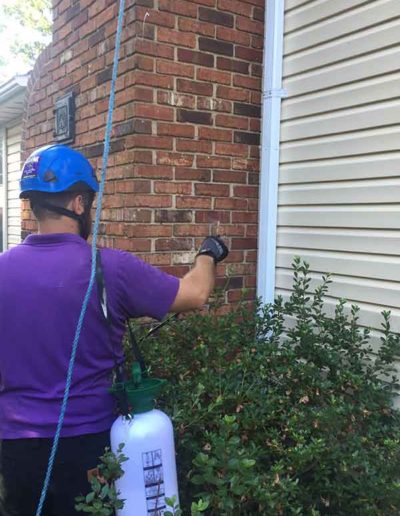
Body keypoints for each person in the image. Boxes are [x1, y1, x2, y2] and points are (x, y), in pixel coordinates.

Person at [0, 144, 228, 516]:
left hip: (17, 447)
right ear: (77, 204)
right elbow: (195, 293)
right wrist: (208, 254)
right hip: (89, 445)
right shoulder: (110, 268)